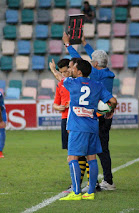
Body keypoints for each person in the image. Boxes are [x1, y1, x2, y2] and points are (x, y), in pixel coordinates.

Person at [53, 58, 117, 200]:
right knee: (91, 158)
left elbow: (60, 77)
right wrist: (110, 110)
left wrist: (54, 70)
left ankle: (76, 193)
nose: (70, 70)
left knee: (72, 157)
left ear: (79, 71)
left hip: (77, 126)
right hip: (92, 126)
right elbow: (113, 101)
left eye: (73, 68)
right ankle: (90, 192)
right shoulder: (98, 85)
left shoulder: (72, 82)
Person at [62, 32, 117, 191]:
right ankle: (98, 182)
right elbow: (92, 61)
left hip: (92, 117)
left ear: (96, 64)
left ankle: (94, 183)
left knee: (91, 151)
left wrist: (68, 45)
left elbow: (80, 63)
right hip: (102, 115)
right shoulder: (106, 73)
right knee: (97, 151)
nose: (91, 63)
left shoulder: (96, 73)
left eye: (93, 61)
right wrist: (85, 43)